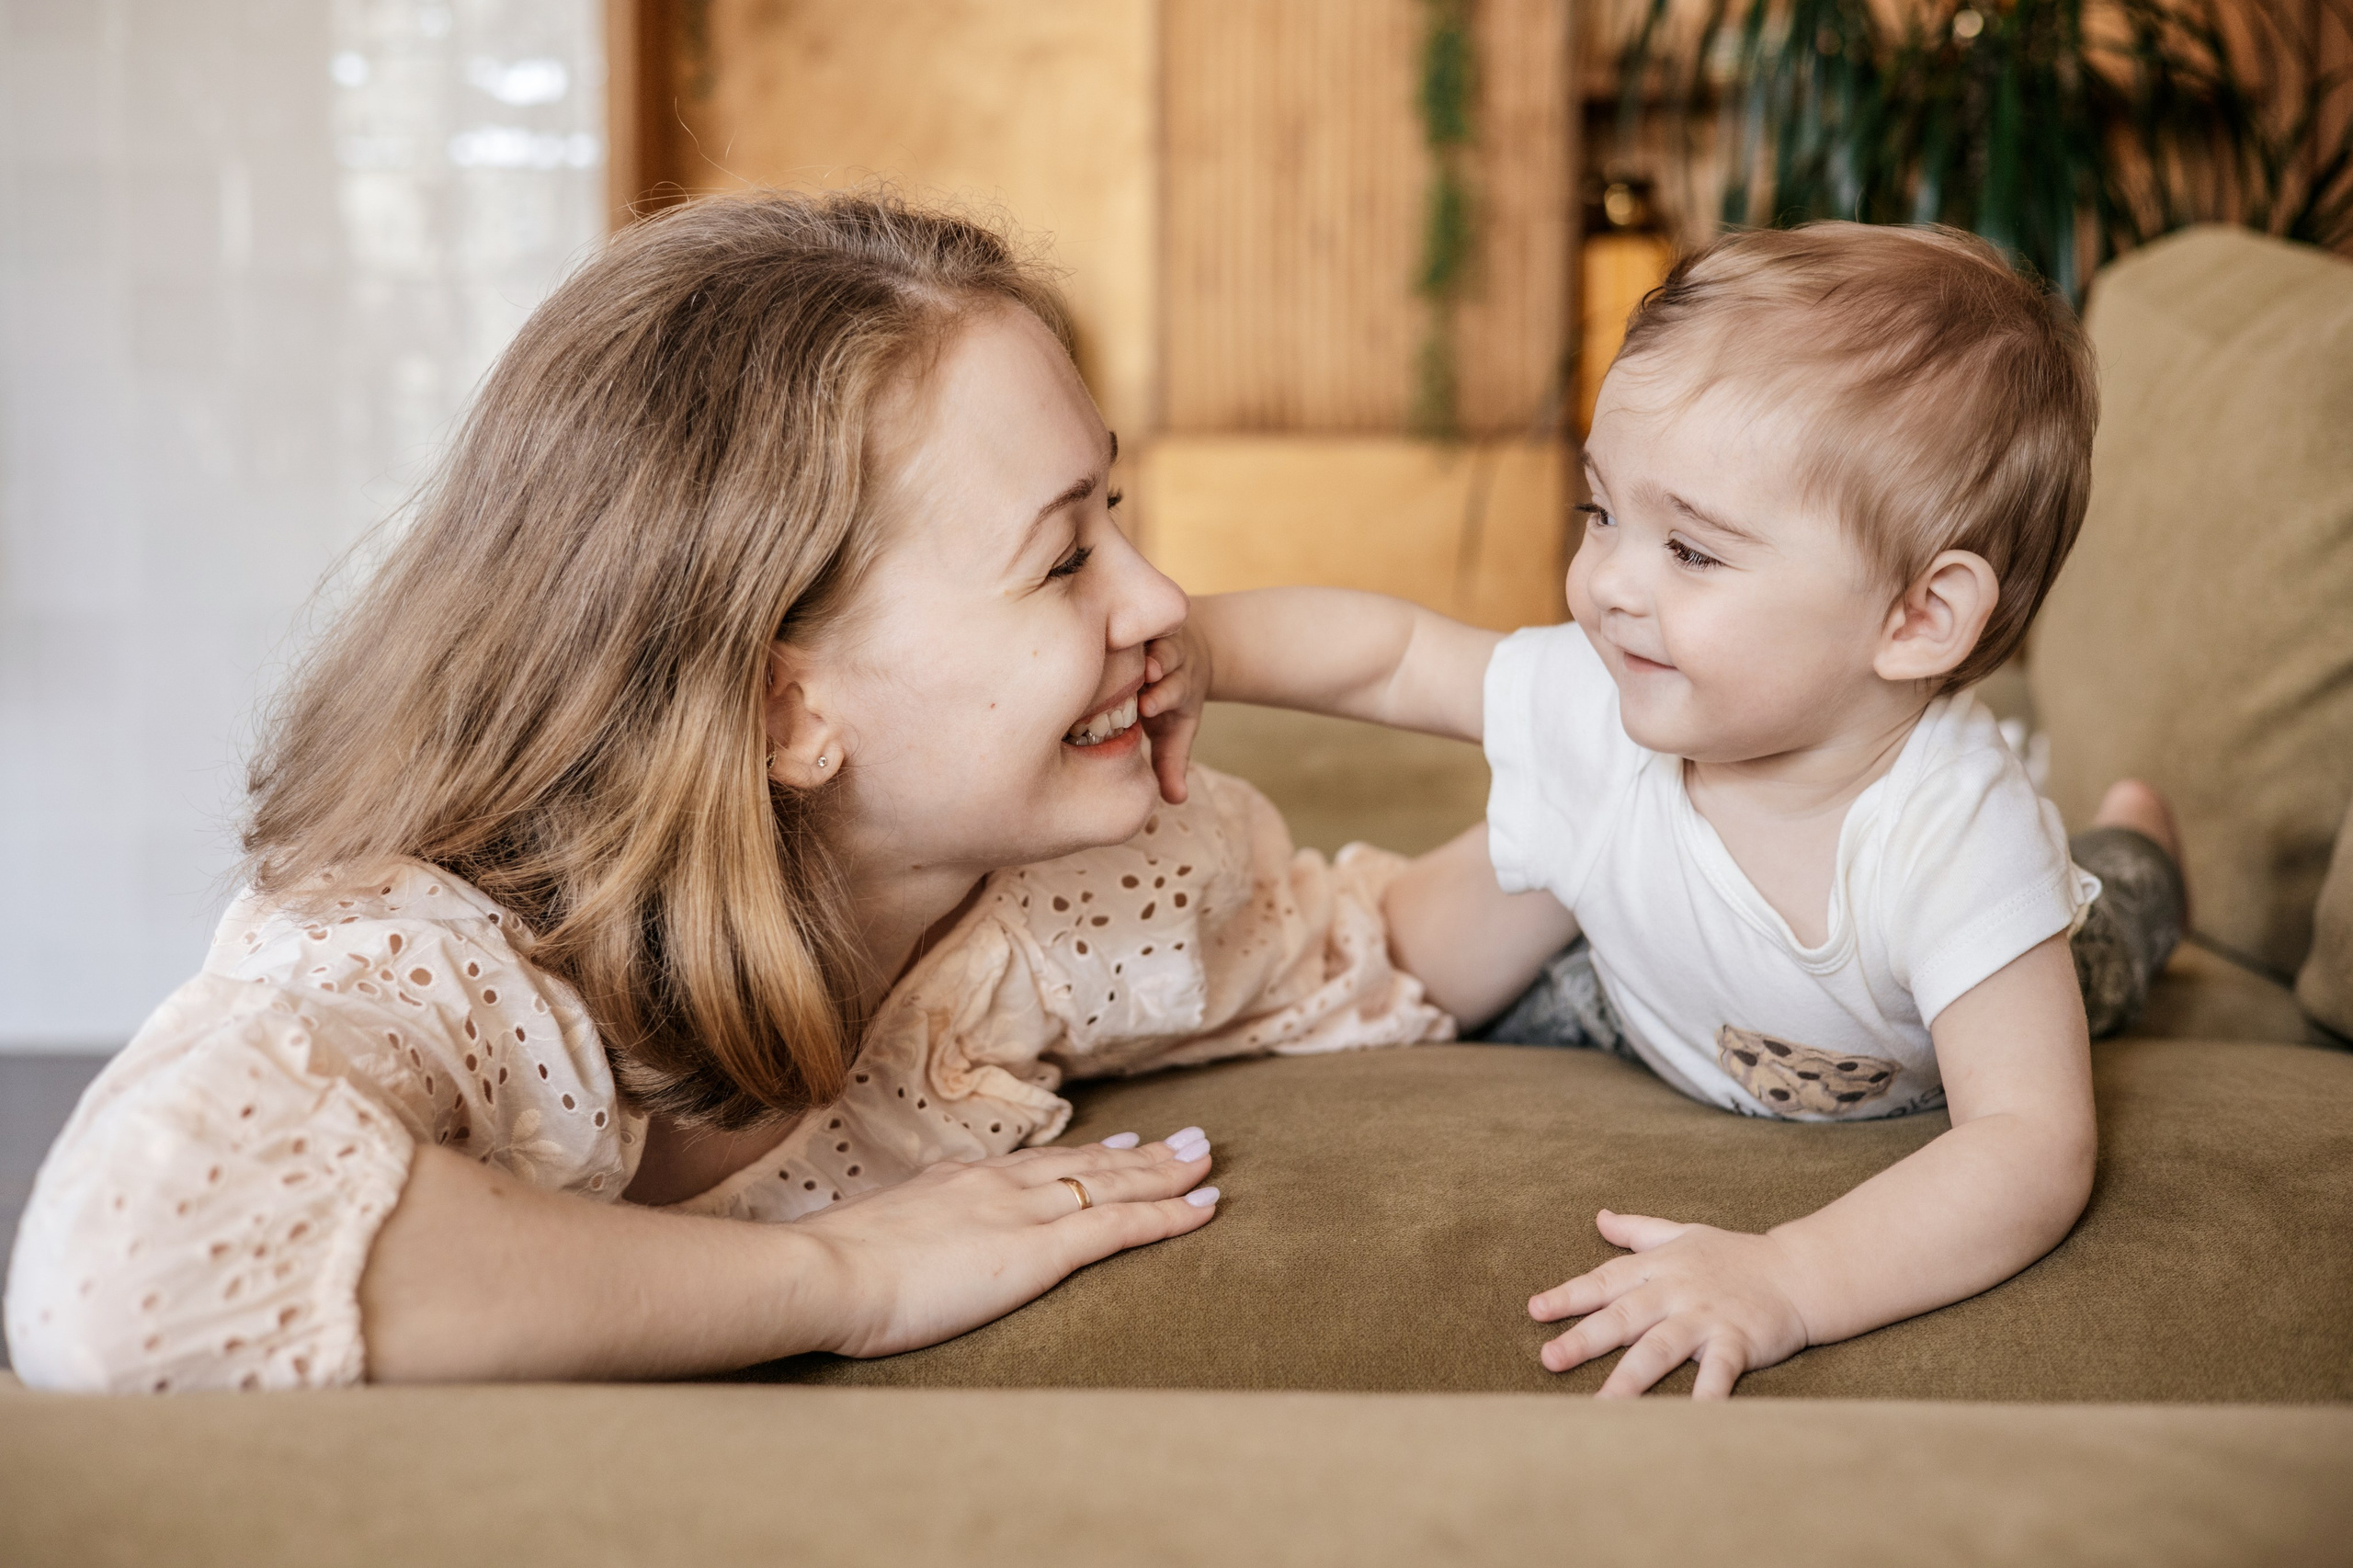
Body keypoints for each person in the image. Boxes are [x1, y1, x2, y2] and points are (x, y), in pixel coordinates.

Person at [2, 193, 1449, 1393]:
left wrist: (1588, 736)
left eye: (1116, 515)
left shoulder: (1073, 897)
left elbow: (1380, 938)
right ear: (781, 708)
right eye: (1064, 558)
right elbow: (120, 1271)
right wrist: (850, 1276)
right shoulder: (436, 959)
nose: (1160, 597)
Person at [1143, 222, 2188, 1398]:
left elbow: (2030, 1148)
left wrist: (1788, 1278)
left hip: (1907, 1037)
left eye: (1690, 549)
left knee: (2115, 932)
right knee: (1440, 942)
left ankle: (2138, 834)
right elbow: (1390, 658)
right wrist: (1192, 641)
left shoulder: (1954, 833)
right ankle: (1555, 857)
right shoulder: (1612, 695)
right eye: (1602, 514)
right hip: (1639, 992)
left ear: (1916, 617)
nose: (1607, 586)